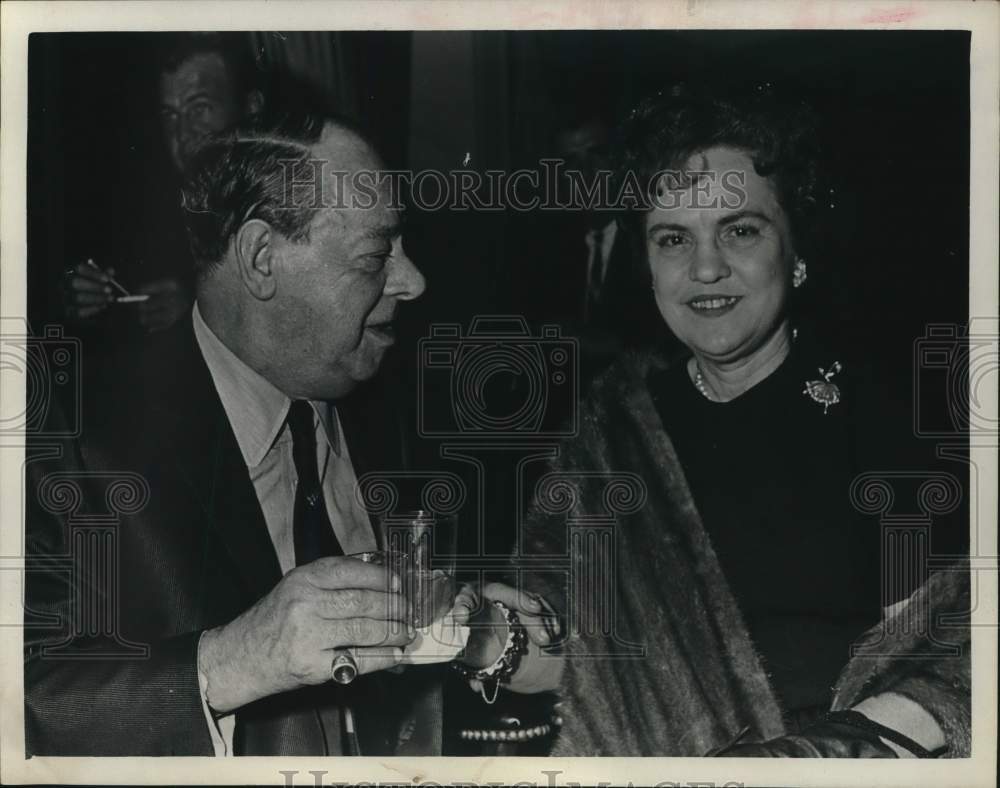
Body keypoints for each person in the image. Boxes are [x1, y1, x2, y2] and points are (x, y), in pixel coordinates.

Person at [25, 102, 556, 756]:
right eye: (375, 256)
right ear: (261, 259)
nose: (414, 281)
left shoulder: (420, 408)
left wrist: (481, 639)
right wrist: (233, 662)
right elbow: (22, 698)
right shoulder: (71, 432)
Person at [514, 84, 970, 757]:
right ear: (647, 263)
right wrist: (484, 636)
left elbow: (945, 674)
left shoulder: (888, 426)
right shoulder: (614, 429)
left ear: (797, 249)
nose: (705, 268)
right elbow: (576, 666)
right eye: (674, 239)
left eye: (740, 230)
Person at [61, 32, 263, 337]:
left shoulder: (291, 201)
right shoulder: (153, 209)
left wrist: (199, 313)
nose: (181, 134)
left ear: (251, 109)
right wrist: (80, 296)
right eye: (170, 115)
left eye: (199, 108)